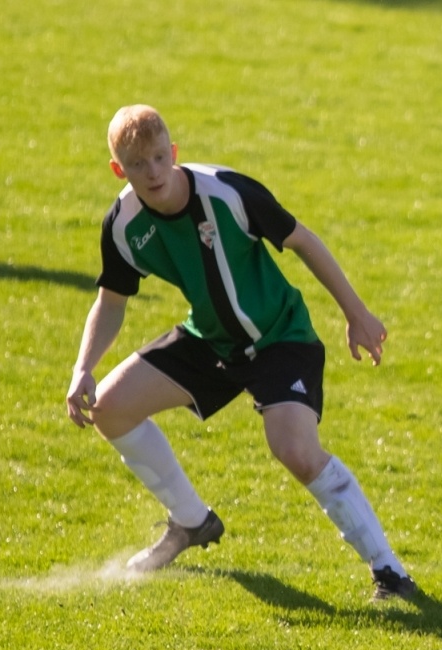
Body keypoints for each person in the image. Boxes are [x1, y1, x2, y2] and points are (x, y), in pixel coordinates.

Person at [65, 105, 416, 601]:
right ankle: (192, 522)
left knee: (295, 450)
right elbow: (111, 301)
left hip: (280, 337)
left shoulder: (226, 192)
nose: (154, 172)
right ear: (118, 169)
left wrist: (356, 313)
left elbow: (303, 240)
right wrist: (83, 368)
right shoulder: (123, 224)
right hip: (211, 340)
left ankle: (391, 573)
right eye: (138, 164)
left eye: (160, 157)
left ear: (174, 151)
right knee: (109, 407)